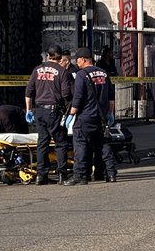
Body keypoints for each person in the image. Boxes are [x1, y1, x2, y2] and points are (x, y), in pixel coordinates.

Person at [62, 48, 118, 185]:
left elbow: (78, 97)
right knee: (103, 145)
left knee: (80, 145)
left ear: (84, 59)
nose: (77, 62)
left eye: (78, 60)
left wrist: (71, 114)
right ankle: (111, 173)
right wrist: (110, 113)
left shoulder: (82, 74)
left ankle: (80, 175)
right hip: (101, 117)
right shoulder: (104, 73)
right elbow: (111, 97)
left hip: (85, 116)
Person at [24, 44, 72, 185]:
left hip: (39, 111)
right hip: (54, 110)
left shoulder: (37, 69)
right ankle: (62, 175)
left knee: (42, 143)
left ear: (48, 55)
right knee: (61, 143)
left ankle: (41, 175)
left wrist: (28, 110)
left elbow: (29, 92)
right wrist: (69, 111)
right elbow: (66, 94)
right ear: (60, 56)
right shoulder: (62, 71)